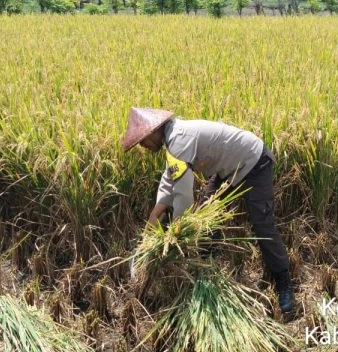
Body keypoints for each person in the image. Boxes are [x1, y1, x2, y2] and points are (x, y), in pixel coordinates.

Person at [122, 107, 294, 312]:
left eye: (142, 141)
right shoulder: (173, 140)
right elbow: (169, 182)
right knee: (205, 207)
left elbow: (183, 195)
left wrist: (175, 233)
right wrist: (152, 218)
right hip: (228, 169)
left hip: (253, 162)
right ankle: (207, 265)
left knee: (262, 225)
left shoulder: (179, 139)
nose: (143, 146)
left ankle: (284, 282)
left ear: (153, 131)